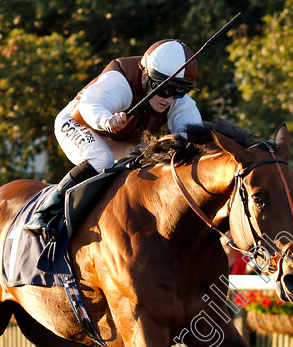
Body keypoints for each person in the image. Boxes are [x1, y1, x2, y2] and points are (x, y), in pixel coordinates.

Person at [24, 39, 202, 239]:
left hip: (120, 138)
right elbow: (89, 106)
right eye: (164, 89)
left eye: (180, 92)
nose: (169, 99)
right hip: (78, 123)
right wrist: (107, 120)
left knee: (151, 161)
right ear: (145, 76)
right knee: (101, 159)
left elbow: (192, 134)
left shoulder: (175, 100)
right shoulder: (120, 82)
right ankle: (47, 213)